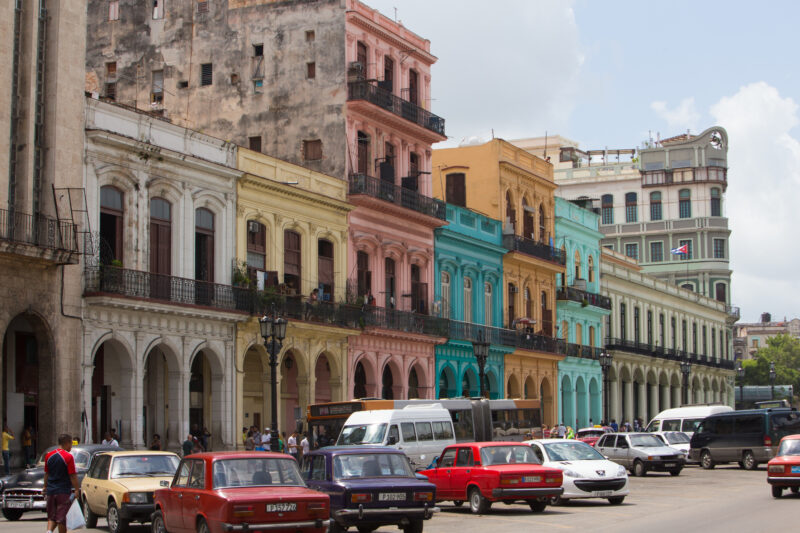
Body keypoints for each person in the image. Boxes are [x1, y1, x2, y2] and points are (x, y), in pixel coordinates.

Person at [43, 434, 81, 533]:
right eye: (71, 444)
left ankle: (49, 531)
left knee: (51, 516)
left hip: (51, 490)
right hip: (63, 491)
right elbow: (72, 475)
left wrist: (45, 486)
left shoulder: (48, 455)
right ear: (67, 443)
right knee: (61, 518)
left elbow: (47, 474)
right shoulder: (68, 457)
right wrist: (77, 489)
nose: (71, 447)